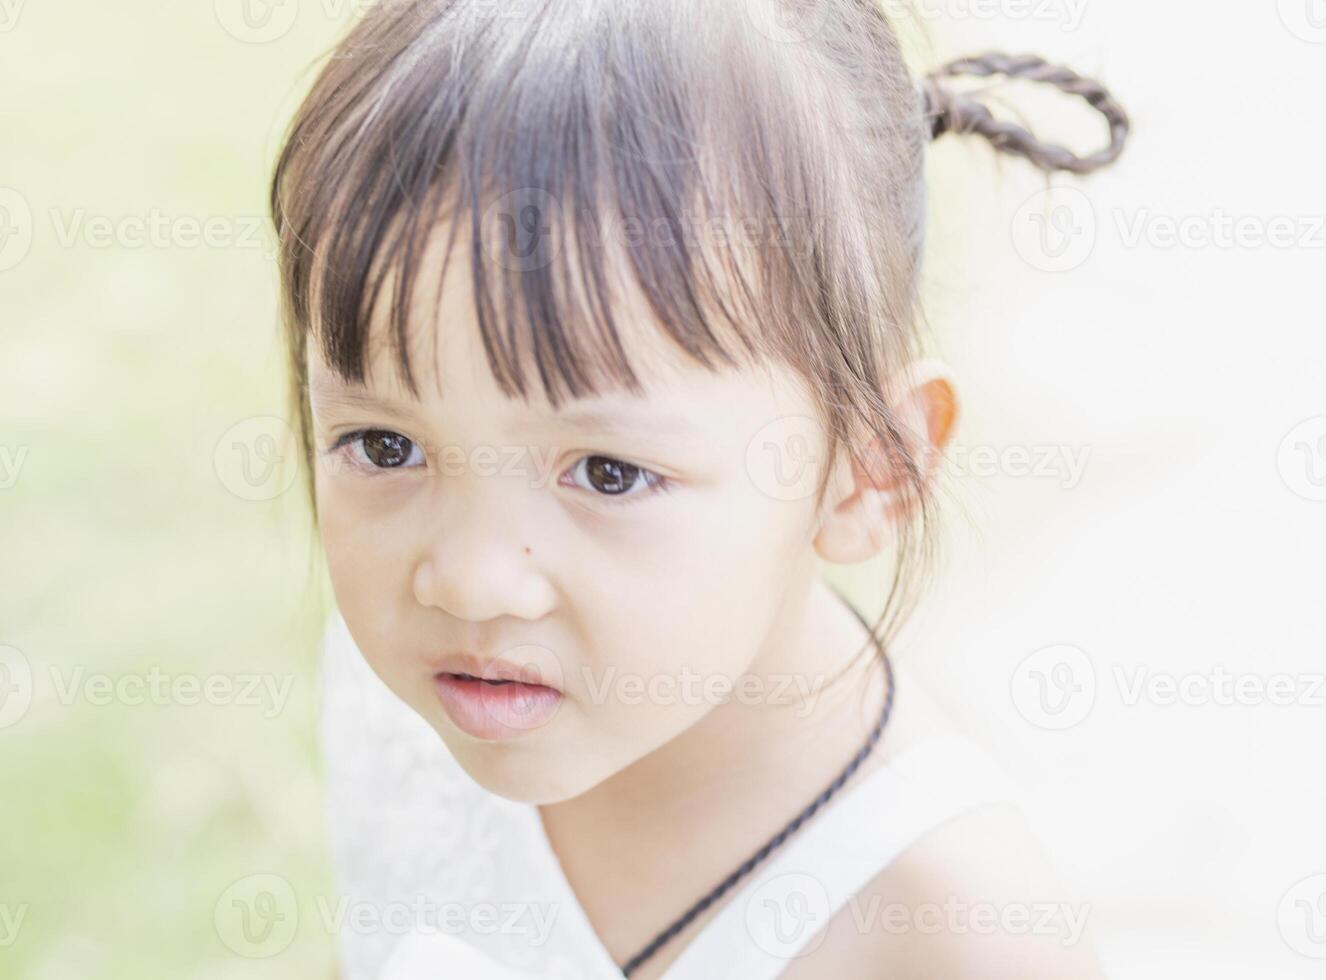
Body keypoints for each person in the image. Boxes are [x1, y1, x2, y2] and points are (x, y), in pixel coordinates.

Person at [270, 1, 1129, 976]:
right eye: (386, 445)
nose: (467, 581)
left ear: (867, 467)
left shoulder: (953, 931)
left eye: (607, 471)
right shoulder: (426, 686)